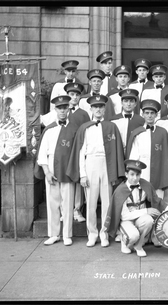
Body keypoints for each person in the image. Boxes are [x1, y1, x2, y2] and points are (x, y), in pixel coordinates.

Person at [66, 94, 125, 248]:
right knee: (91, 202)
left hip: (107, 163)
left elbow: (116, 150)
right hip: (90, 162)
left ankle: (104, 233)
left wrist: (115, 171)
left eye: (101, 106)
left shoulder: (111, 127)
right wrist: (83, 174)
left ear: (105, 109)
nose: (98, 109)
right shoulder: (85, 128)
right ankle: (92, 234)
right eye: (95, 107)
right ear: (91, 109)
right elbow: (80, 152)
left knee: (106, 201)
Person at [104, 159, 168, 257]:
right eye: (132, 174)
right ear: (126, 174)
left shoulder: (145, 185)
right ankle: (125, 242)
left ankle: (139, 245)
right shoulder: (120, 190)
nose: (135, 178)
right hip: (127, 220)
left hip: (140, 219)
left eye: (138, 175)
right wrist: (146, 210)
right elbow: (124, 216)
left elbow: (157, 201)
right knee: (133, 235)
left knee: (149, 220)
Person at [34, 95, 79, 246]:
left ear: (68, 109)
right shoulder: (49, 129)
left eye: (65, 108)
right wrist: (46, 171)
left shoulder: (74, 129)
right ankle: (54, 234)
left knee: (67, 203)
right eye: (59, 108)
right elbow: (42, 153)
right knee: (52, 203)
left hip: (68, 167)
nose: (62, 111)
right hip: (52, 166)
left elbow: (77, 151)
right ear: (55, 109)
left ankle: (67, 234)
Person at [126, 99, 168, 204]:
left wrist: (165, 174)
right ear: (142, 114)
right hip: (142, 170)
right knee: (141, 199)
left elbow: (167, 157)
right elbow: (133, 156)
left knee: (158, 200)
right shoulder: (137, 133)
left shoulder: (163, 133)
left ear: (156, 115)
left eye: (152, 113)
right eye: (147, 113)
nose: (149, 116)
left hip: (159, 170)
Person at [64, 82, 91, 223]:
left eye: (77, 95)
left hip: (79, 149)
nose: (74, 97)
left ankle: (77, 209)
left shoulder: (83, 114)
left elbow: (88, 132)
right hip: (64, 150)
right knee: (65, 180)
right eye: (71, 94)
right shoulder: (62, 111)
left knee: (78, 179)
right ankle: (65, 210)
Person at [110, 88, 145, 153]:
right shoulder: (113, 120)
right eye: (126, 101)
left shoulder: (141, 121)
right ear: (121, 103)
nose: (128, 104)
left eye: (131, 101)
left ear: (135, 104)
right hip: (118, 153)